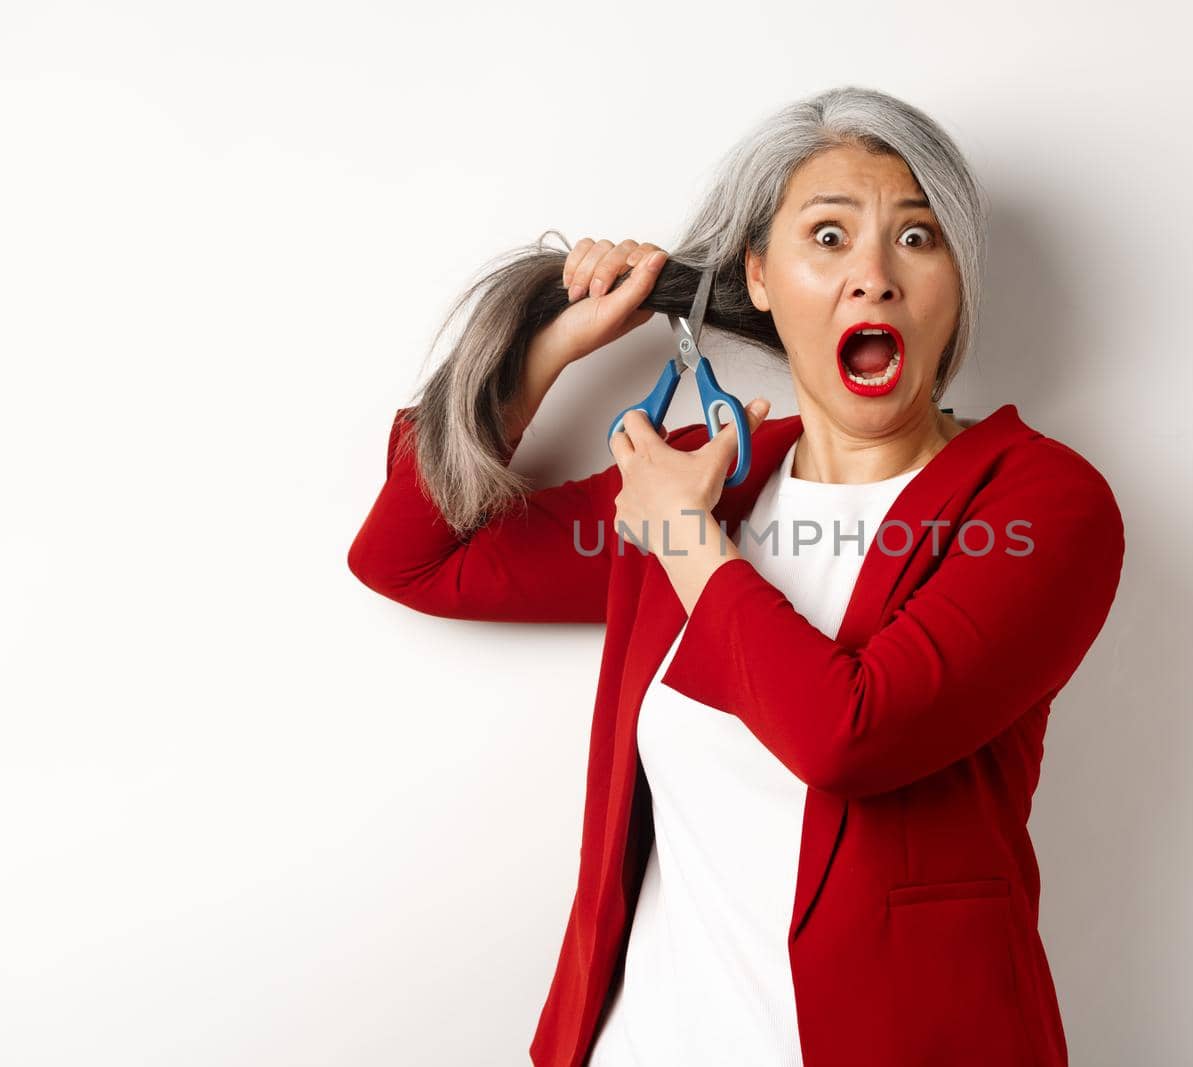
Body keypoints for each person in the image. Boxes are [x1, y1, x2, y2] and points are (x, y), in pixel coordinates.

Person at [348, 86, 1125, 1067]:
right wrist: (545, 347)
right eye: (829, 235)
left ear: (957, 282)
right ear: (757, 274)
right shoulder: (714, 473)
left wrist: (681, 536)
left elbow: (846, 736)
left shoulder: (1035, 507)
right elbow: (413, 555)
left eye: (917, 238)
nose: (873, 276)